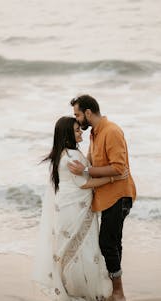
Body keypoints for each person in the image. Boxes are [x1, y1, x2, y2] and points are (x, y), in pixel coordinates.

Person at [33, 116, 128, 301]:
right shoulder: (72, 156)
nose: (80, 132)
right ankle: (84, 291)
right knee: (83, 249)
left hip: (67, 209)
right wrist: (114, 178)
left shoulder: (62, 154)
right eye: (77, 130)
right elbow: (86, 184)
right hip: (78, 210)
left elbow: (83, 170)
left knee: (69, 250)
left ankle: (70, 289)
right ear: (68, 133)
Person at [67, 95, 136, 301]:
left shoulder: (111, 131)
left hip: (119, 195)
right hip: (108, 196)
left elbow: (118, 167)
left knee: (107, 242)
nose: (77, 119)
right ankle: (114, 289)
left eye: (77, 115)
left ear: (88, 113)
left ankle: (118, 292)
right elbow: (91, 161)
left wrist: (86, 169)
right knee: (113, 243)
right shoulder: (95, 134)